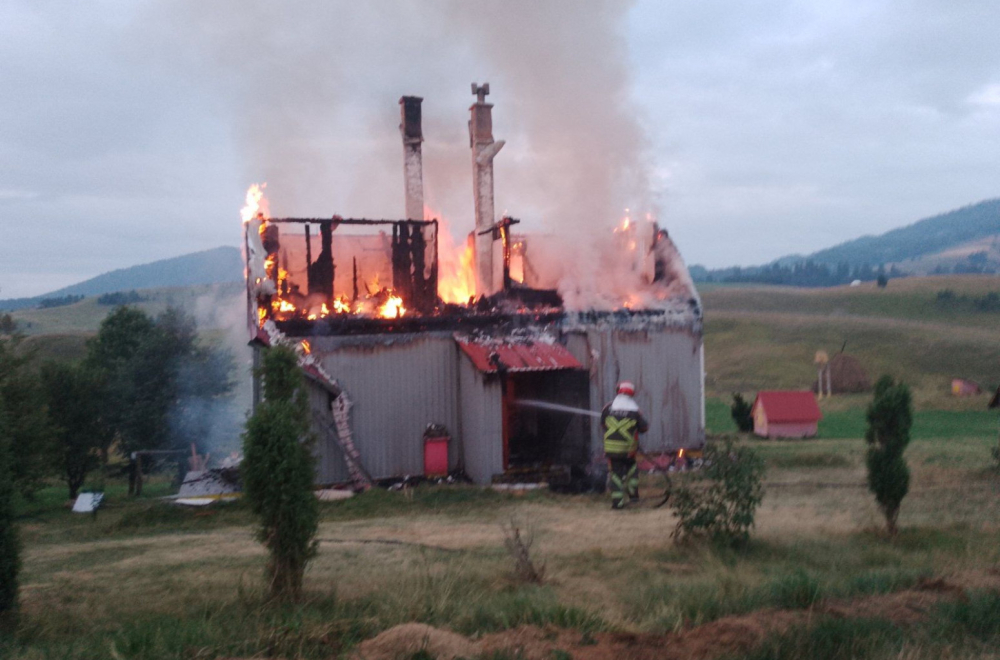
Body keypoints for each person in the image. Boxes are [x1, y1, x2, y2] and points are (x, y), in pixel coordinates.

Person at [601, 381, 649, 510]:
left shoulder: (607, 408)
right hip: (628, 450)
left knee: (615, 475)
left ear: (618, 391)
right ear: (632, 394)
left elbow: (603, 425)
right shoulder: (635, 411)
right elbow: (644, 428)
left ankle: (618, 503)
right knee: (632, 470)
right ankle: (633, 497)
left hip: (611, 449)